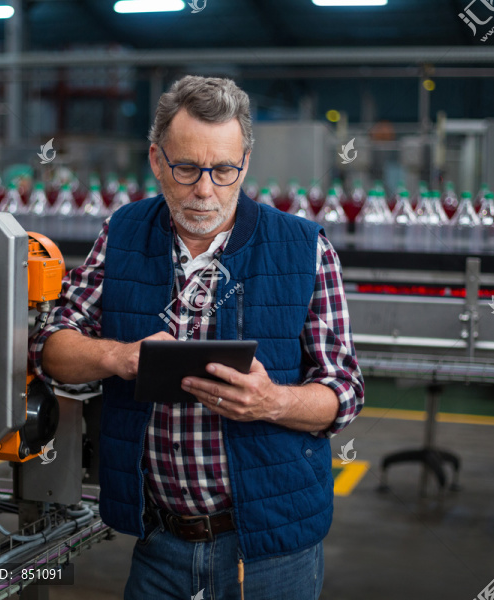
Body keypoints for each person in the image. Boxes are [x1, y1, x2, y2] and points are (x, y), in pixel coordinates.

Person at [29, 75, 364, 600]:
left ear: (246, 163)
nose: (205, 189)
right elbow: (51, 349)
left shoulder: (304, 250)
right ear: (157, 160)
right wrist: (121, 356)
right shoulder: (123, 235)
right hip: (161, 542)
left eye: (224, 170)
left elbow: (344, 392)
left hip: (272, 547)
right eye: (186, 168)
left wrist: (271, 402)